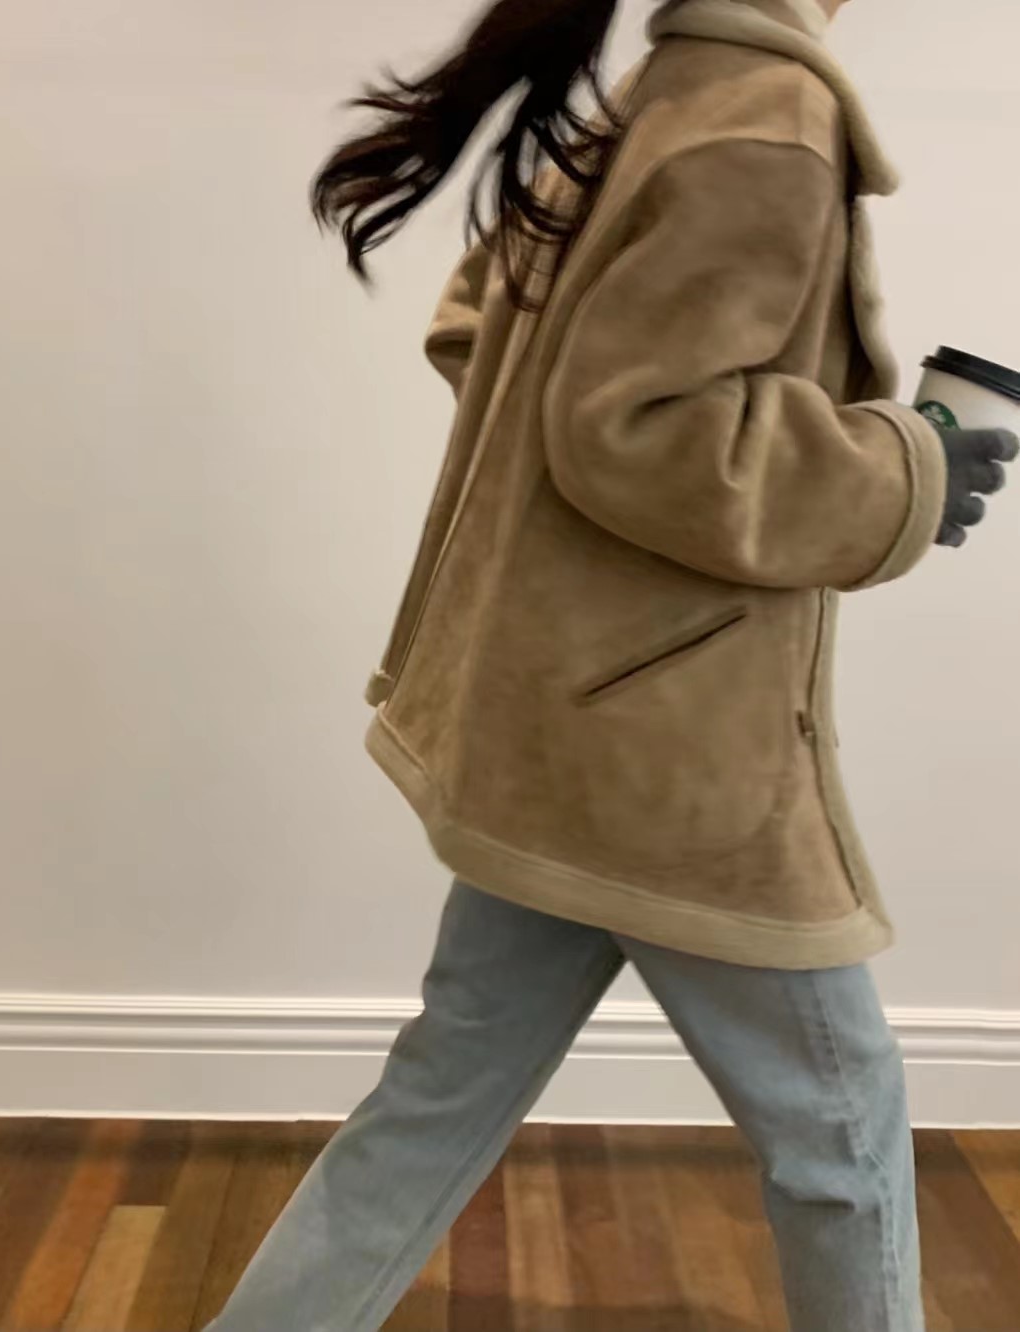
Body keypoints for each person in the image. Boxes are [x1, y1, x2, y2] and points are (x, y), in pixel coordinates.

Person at [208, 1, 1017, 1329]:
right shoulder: (766, 113)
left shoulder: (655, 91)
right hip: (671, 762)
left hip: (552, 730)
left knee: (436, 1099)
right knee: (842, 1134)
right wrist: (902, 467)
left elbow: (482, 333)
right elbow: (643, 426)